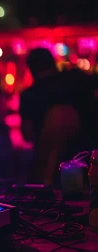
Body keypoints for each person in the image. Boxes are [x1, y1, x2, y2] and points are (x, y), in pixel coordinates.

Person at [20, 48, 97, 185]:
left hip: (49, 173)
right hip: (89, 165)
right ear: (53, 63)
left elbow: (27, 135)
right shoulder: (78, 79)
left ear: (31, 70)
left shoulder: (30, 95)